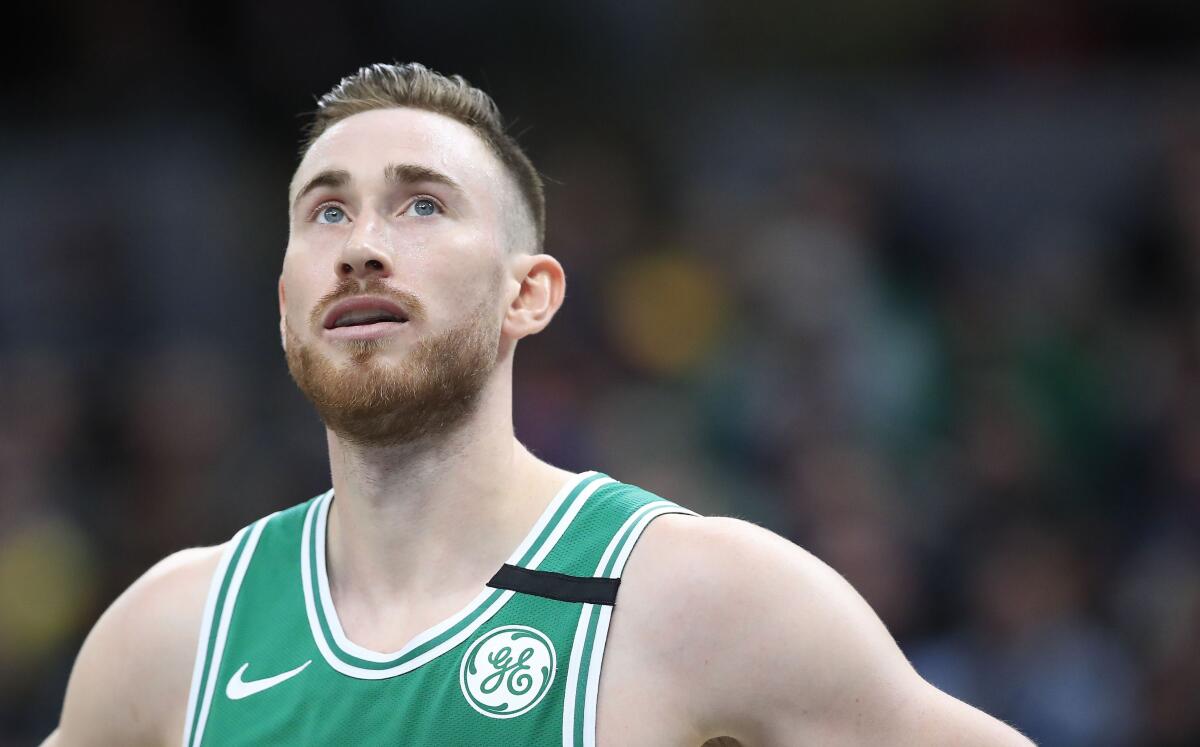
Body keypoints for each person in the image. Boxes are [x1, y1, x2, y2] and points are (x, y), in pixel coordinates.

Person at [44, 63, 1034, 746]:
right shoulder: (174, 634)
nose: (360, 244)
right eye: (326, 210)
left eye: (422, 203)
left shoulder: (704, 599)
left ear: (531, 294)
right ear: (285, 303)